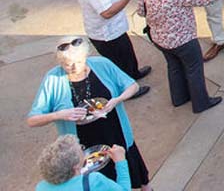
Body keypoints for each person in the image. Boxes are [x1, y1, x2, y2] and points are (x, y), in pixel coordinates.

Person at [27, 38, 152, 190]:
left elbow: (133, 86)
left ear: (86, 56)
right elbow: (32, 120)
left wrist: (117, 100)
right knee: (98, 183)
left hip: (115, 132)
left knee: (132, 169)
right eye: (67, 64)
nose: (74, 67)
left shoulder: (102, 64)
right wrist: (59, 115)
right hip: (82, 145)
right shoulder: (53, 79)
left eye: (79, 62)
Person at [137, 0, 224, 113]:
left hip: (159, 39)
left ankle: (179, 98)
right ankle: (201, 103)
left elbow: (141, 12)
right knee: (194, 70)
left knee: (174, 67)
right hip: (184, 41)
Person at [75, 0, 150, 91]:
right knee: (119, 63)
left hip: (116, 29)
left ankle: (133, 73)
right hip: (107, 34)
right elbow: (107, 13)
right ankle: (128, 89)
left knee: (127, 53)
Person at [35, 136, 130, 191]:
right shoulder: (93, 180)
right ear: (75, 166)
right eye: (81, 148)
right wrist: (120, 161)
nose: (83, 150)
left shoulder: (41, 187)